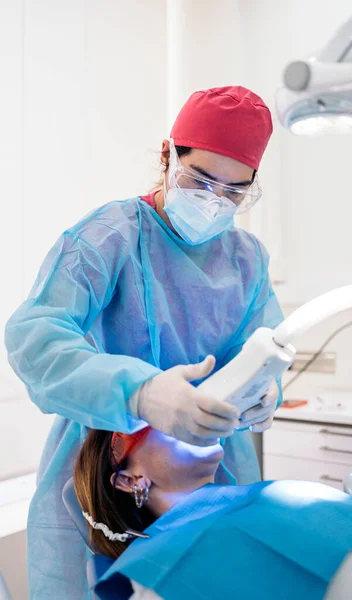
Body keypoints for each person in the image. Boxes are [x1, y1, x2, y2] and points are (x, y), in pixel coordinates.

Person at [4, 86, 284, 599]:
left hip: (209, 469)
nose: (213, 201)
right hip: (102, 465)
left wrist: (264, 390)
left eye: (233, 191)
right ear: (166, 154)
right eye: (200, 180)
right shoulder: (107, 238)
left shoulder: (246, 258)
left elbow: (259, 345)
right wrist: (140, 394)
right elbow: (34, 336)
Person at [74, 425, 352, 600]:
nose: (187, 418)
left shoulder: (253, 495)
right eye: (156, 419)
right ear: (130, 480)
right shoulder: (164, 573)